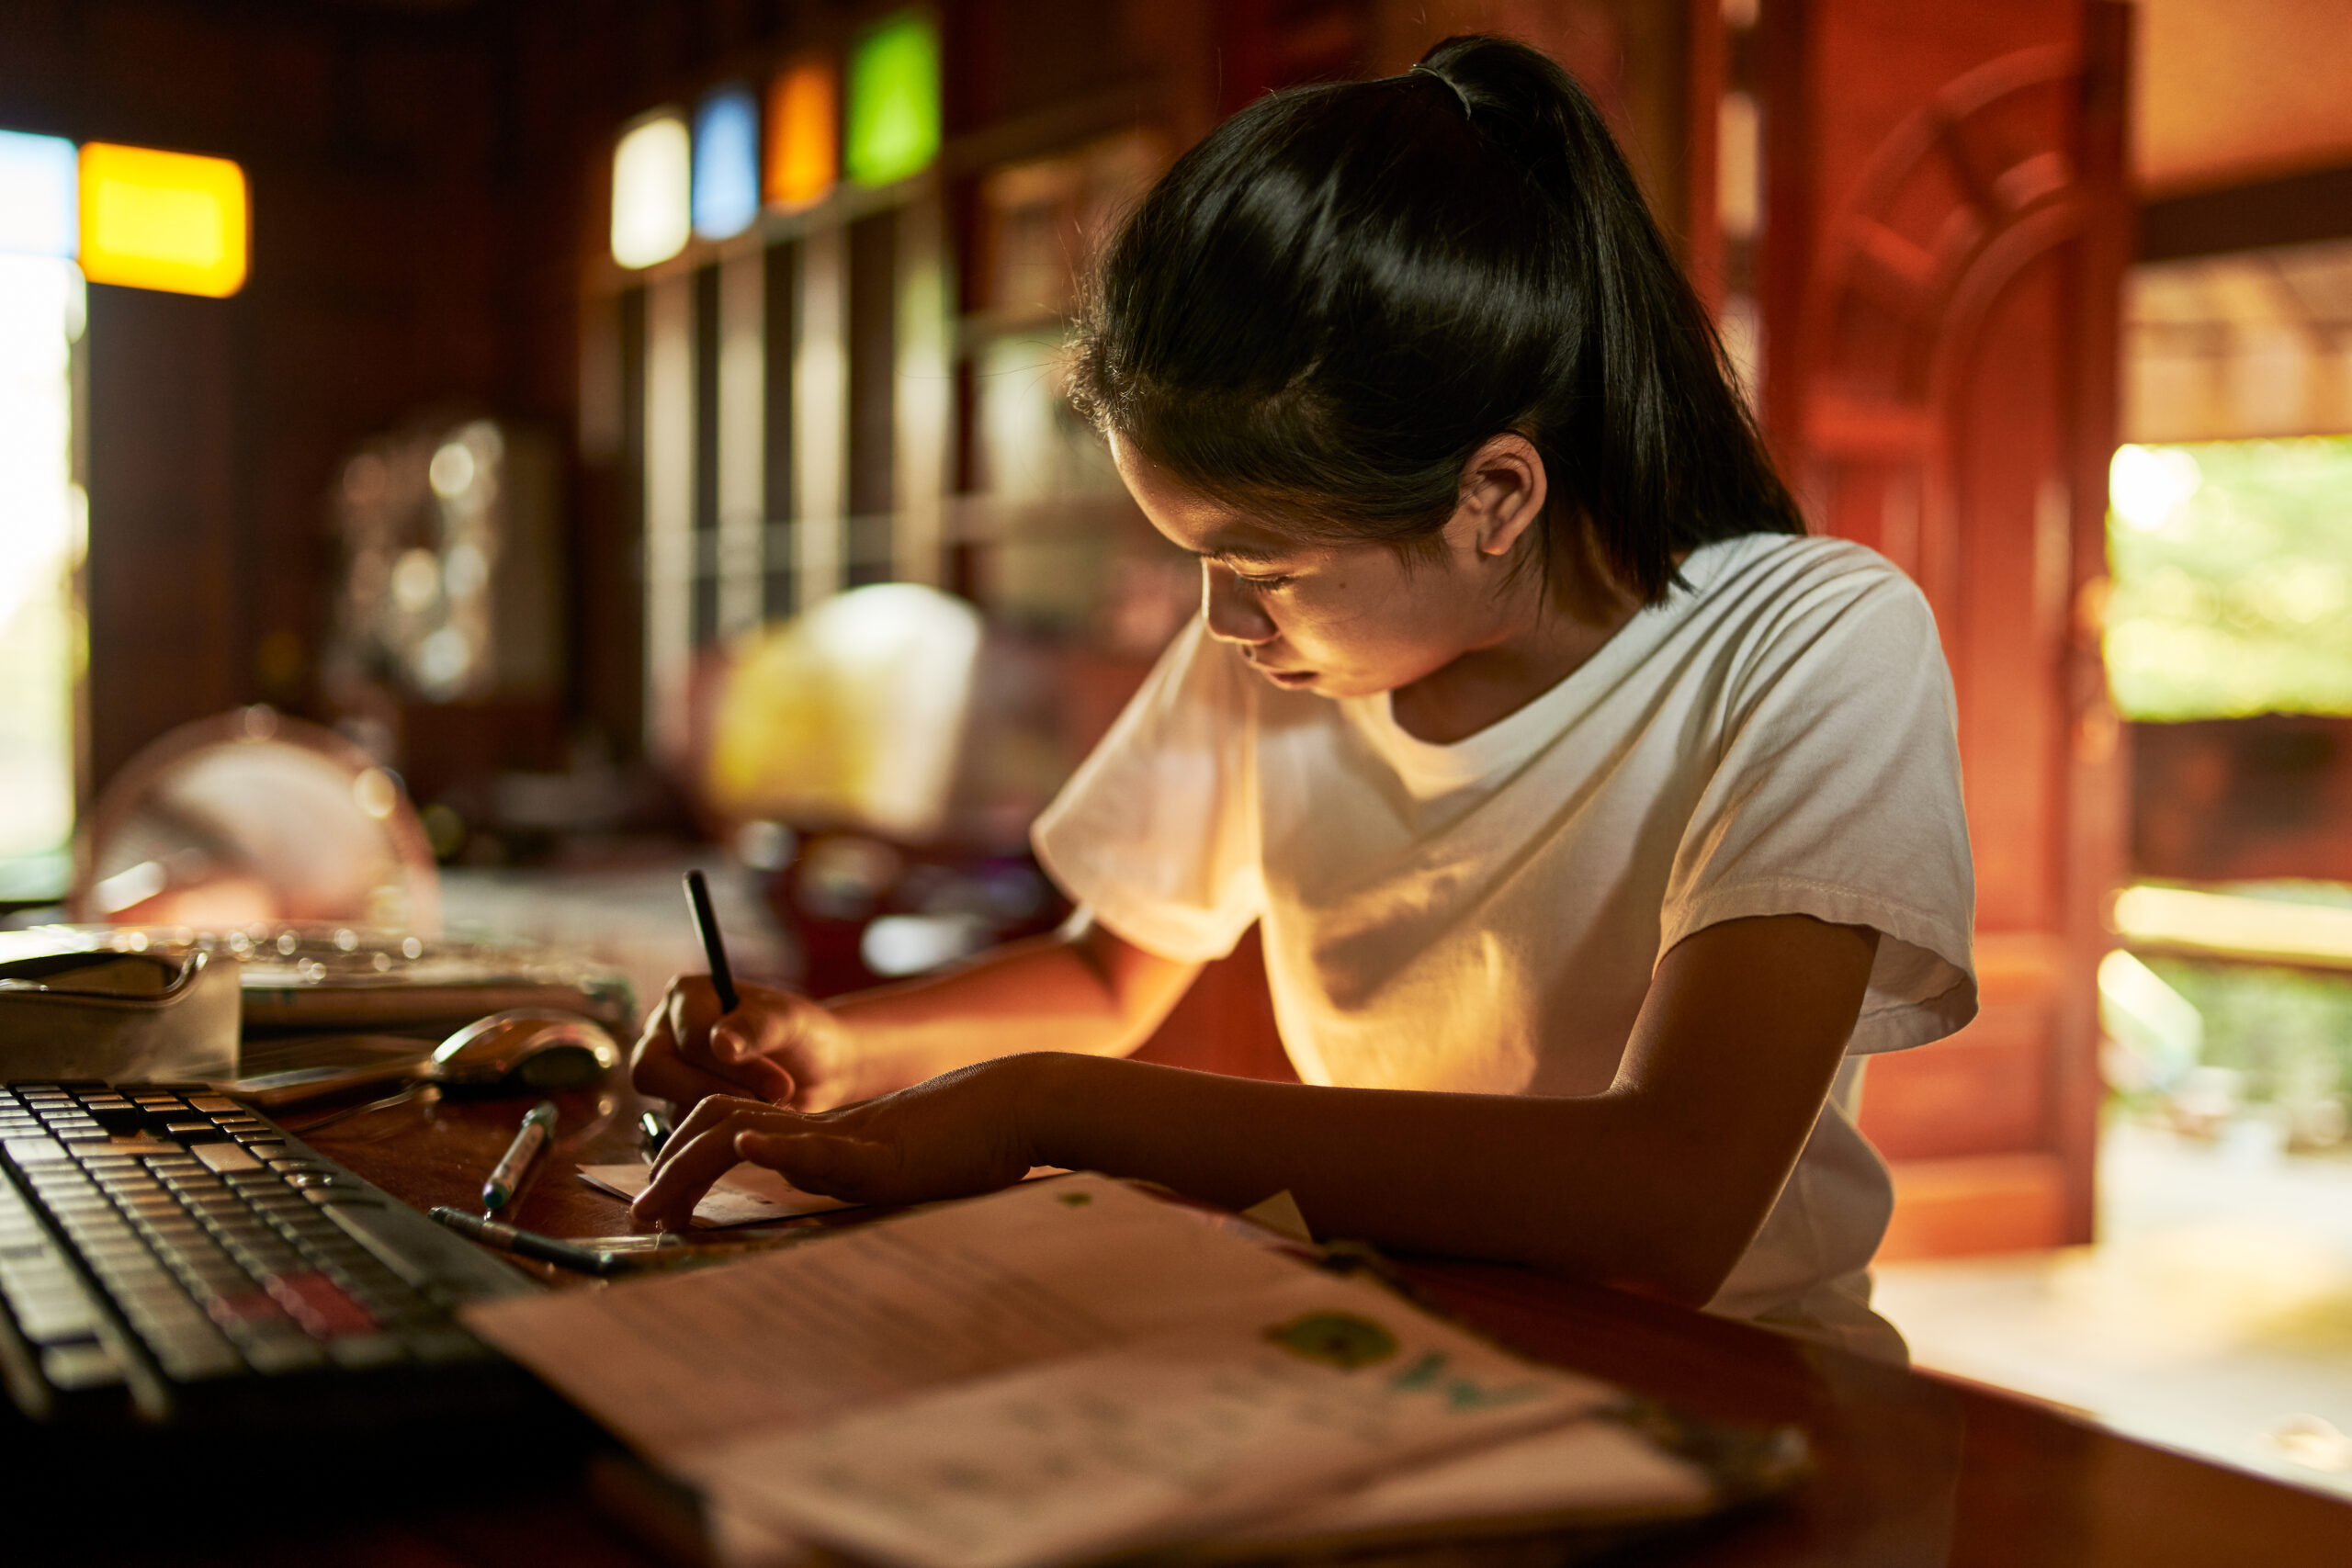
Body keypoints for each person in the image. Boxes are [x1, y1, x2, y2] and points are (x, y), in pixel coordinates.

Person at [629, 34, 1974, 1359]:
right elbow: (1110, 970)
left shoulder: (1807, 645)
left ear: (1492, 498)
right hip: (1378, 1342)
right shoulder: (1288, 652)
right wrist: (837, 1050)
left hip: (1731, 1381)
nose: (1222, 618)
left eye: (1257, 562)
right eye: (1200, 558)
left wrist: (1048, 1112)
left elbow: (1673, 1191)